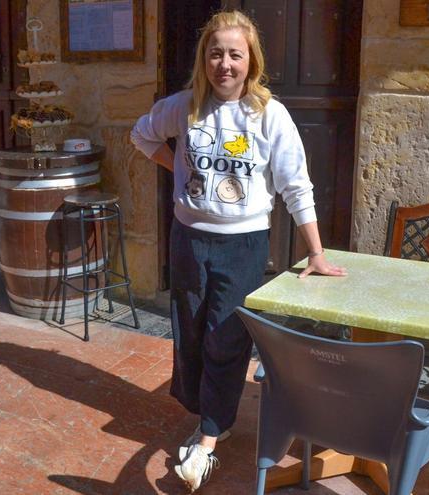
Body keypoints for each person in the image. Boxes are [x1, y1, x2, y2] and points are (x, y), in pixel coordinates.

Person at [130, 10, 346, 492]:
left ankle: (207, 440)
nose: (224, 63)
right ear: (203, 58)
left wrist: (315, 252)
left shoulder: (270, 114)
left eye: (235, 54)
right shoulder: (183, 106)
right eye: (215, 53)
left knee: (227, 336)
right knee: (190, 329)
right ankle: (214, 416)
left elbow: (296, 186)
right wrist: (179, 171)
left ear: (251, 61)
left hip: (243, 244)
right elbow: (141, 135)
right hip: (188, 240)